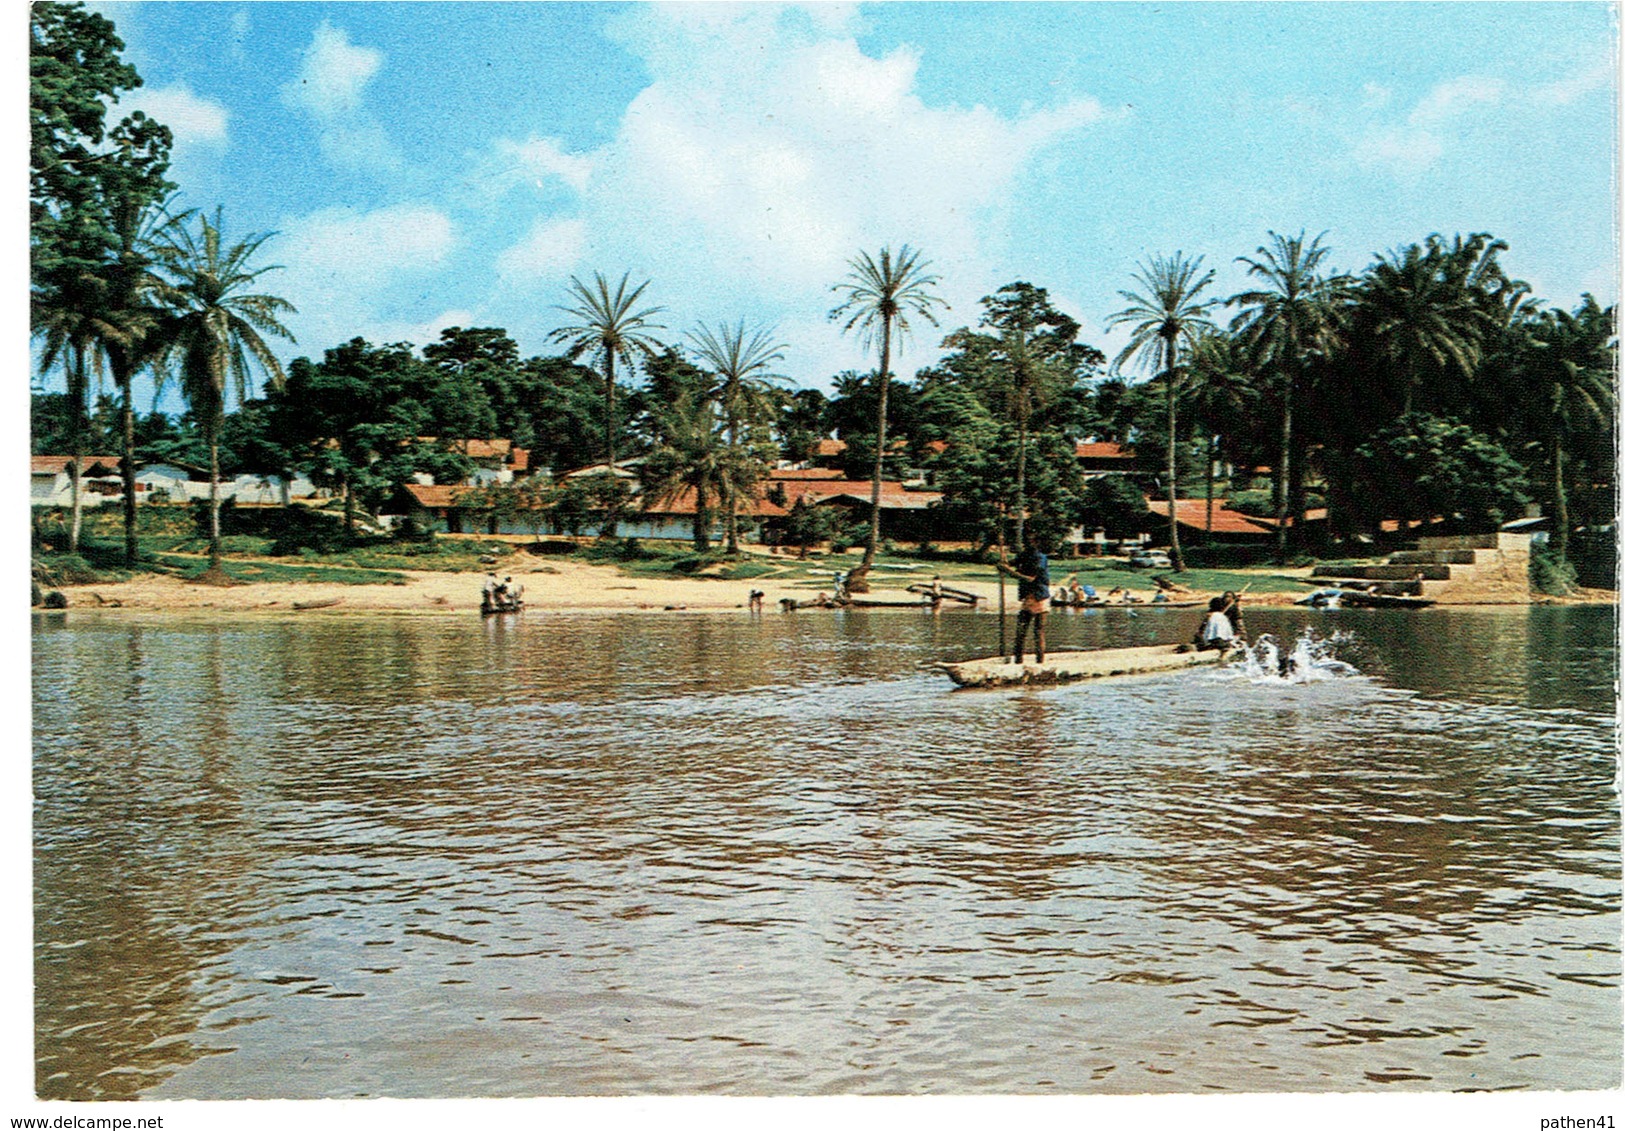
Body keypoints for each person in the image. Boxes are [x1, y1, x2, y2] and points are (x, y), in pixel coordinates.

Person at [998, 540, 1050, 664]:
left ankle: (1040, 662)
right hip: (1028, 597)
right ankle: (1018, 661)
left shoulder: (1039, 558)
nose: (1024, 546)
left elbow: (1030, 578)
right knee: (1021, 631)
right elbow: (1009, 563)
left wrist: (1007, 571)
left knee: (1038, 631)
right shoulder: (1024, 555)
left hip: (1039, 596)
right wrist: (1002, 562)